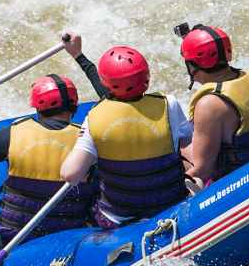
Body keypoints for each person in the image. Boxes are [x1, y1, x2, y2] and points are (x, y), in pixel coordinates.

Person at [0, 32, 106, 245]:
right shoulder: (89, 138)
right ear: (74, 105)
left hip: (14, 239)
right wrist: (79, 56)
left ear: (36, 106)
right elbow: (113, 101)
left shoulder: (13, 135)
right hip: (73, 238)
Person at [60, 45, 193, 227]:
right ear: (146, 77)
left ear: (106, 83)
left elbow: (70, 174)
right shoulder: (168, 104)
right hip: (170, 204)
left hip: (117, 217)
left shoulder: (94, 117)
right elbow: (190, 151)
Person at [179, 24, 249, 185]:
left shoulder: (210, 105)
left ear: (192, 66)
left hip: (241, 185)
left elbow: (202, 170)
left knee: (177, 151)